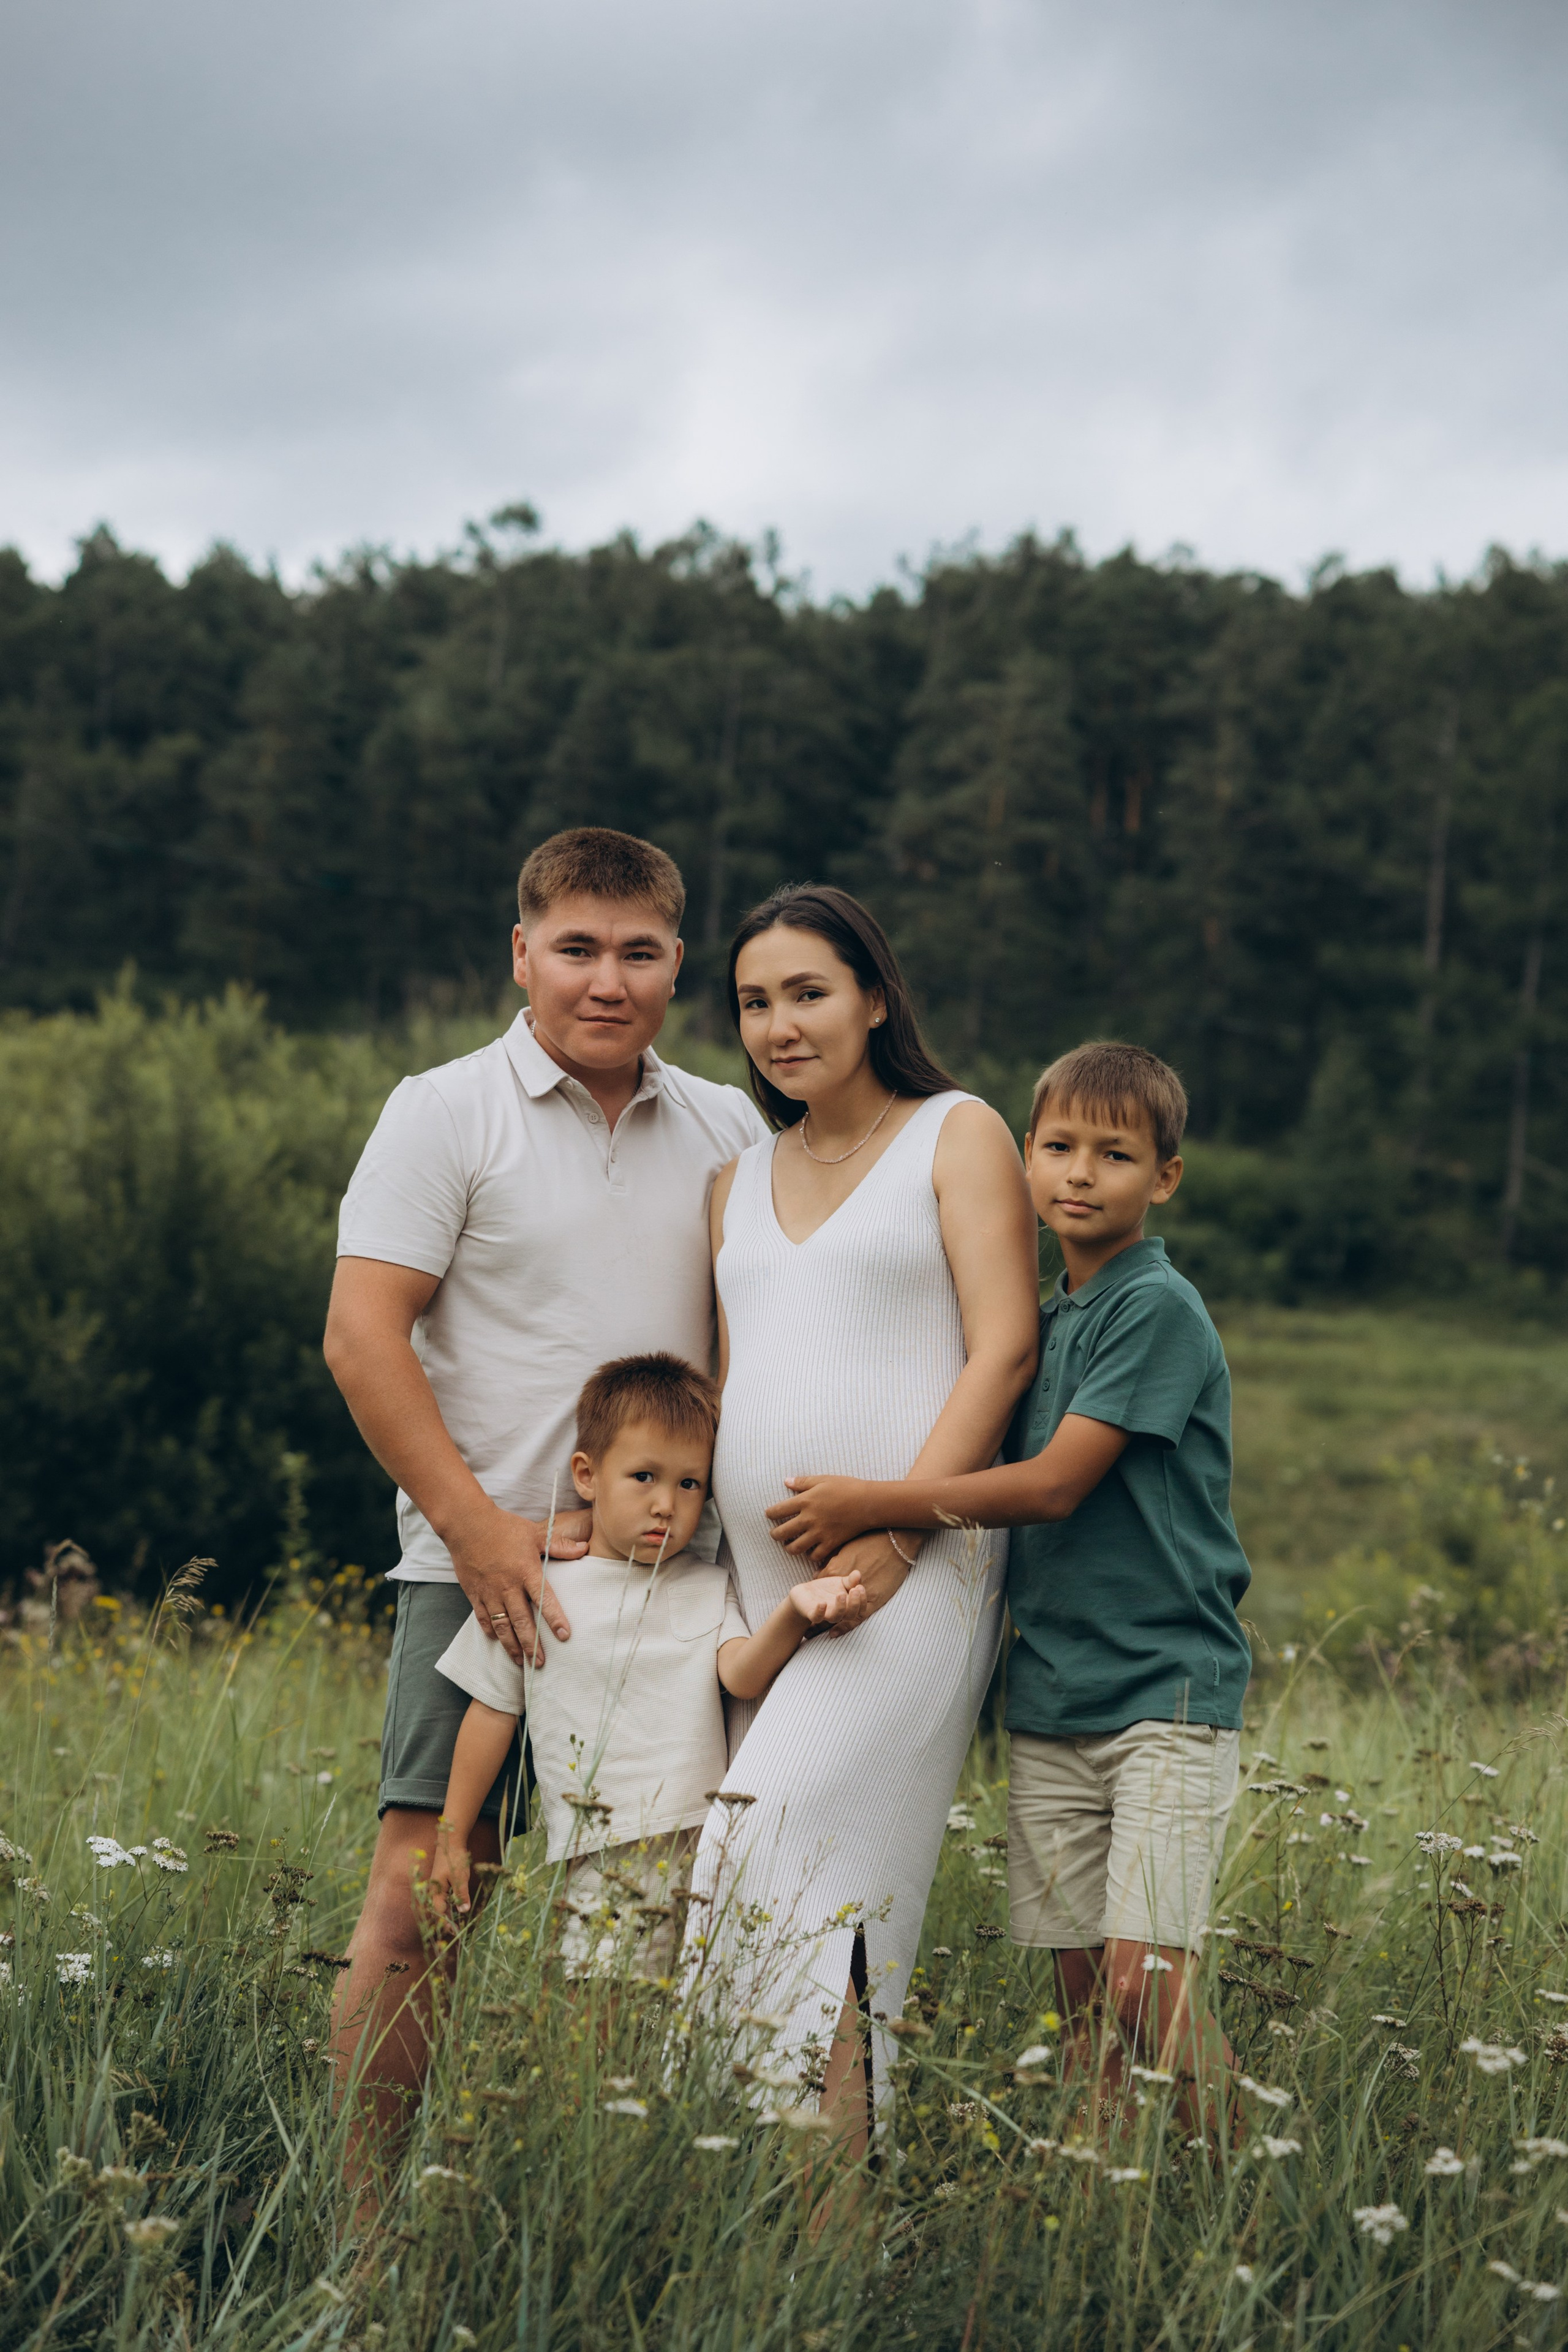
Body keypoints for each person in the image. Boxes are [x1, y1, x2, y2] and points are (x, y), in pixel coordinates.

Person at [323, 828, 766, 2174]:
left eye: (638, 952)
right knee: (425, 1898)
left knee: (685, 1919)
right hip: (483, 1573)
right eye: (575, 947)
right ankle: (367, 2248)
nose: (605, 979)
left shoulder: (732, 1126)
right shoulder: (441, 1109)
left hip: (684, 1593)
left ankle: (605, 2216)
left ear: (677, 965)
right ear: (522, 951)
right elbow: (361, 1335)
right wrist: (474, 1527)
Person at [766, 1040, 1253, 2136]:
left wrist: (875, 1506)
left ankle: (1265, 2212)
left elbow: (1051, 1488)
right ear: (1026, 1162)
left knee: (1144, 1983)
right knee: (1085, 2013)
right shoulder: (1042, 1320)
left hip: (1164, 1692)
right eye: (1061, 1148)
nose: (1082, 1174)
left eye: (1115, 1155)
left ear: (1164, 1178)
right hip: (1049, 1700)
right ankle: (1103, 2242)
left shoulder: (1153, 1308)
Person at [678, 884, 1040, 2155]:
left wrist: (895, 1537)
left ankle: (806, 2229)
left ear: (874, 998)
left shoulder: (956, 1133)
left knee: (752, 1846)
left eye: (808, 993)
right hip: (754, 1603)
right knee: (795, 1908)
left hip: (912, 1574)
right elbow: (730, 1388)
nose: (780, 1025)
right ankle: (797, 2239)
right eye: (754, 1003)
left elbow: (1000, 1355)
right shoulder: (734, 1182)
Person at [428, 1352, 869, 1977]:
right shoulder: (540, 1588)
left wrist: (795, 1615)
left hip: (710, 1846)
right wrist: (452, 1837)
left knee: (697, 2020)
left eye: (689, 1484)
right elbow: (492, 1712)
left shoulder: (706, 1585)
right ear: (587, 1474)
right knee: (600, 2025)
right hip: (607, 1852)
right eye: (644, 1477)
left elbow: (739, 1674)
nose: (667, 1503)